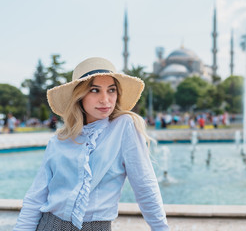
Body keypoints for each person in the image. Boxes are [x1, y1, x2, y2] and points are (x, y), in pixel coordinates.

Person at [14, 57, 169, 231]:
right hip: (48, 225)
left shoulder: (124, 126)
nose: (105, 99)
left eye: (111, 90)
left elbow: (145, 186)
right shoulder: (59, 140)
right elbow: (36, 198)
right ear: (79, 96)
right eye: (95, 90)